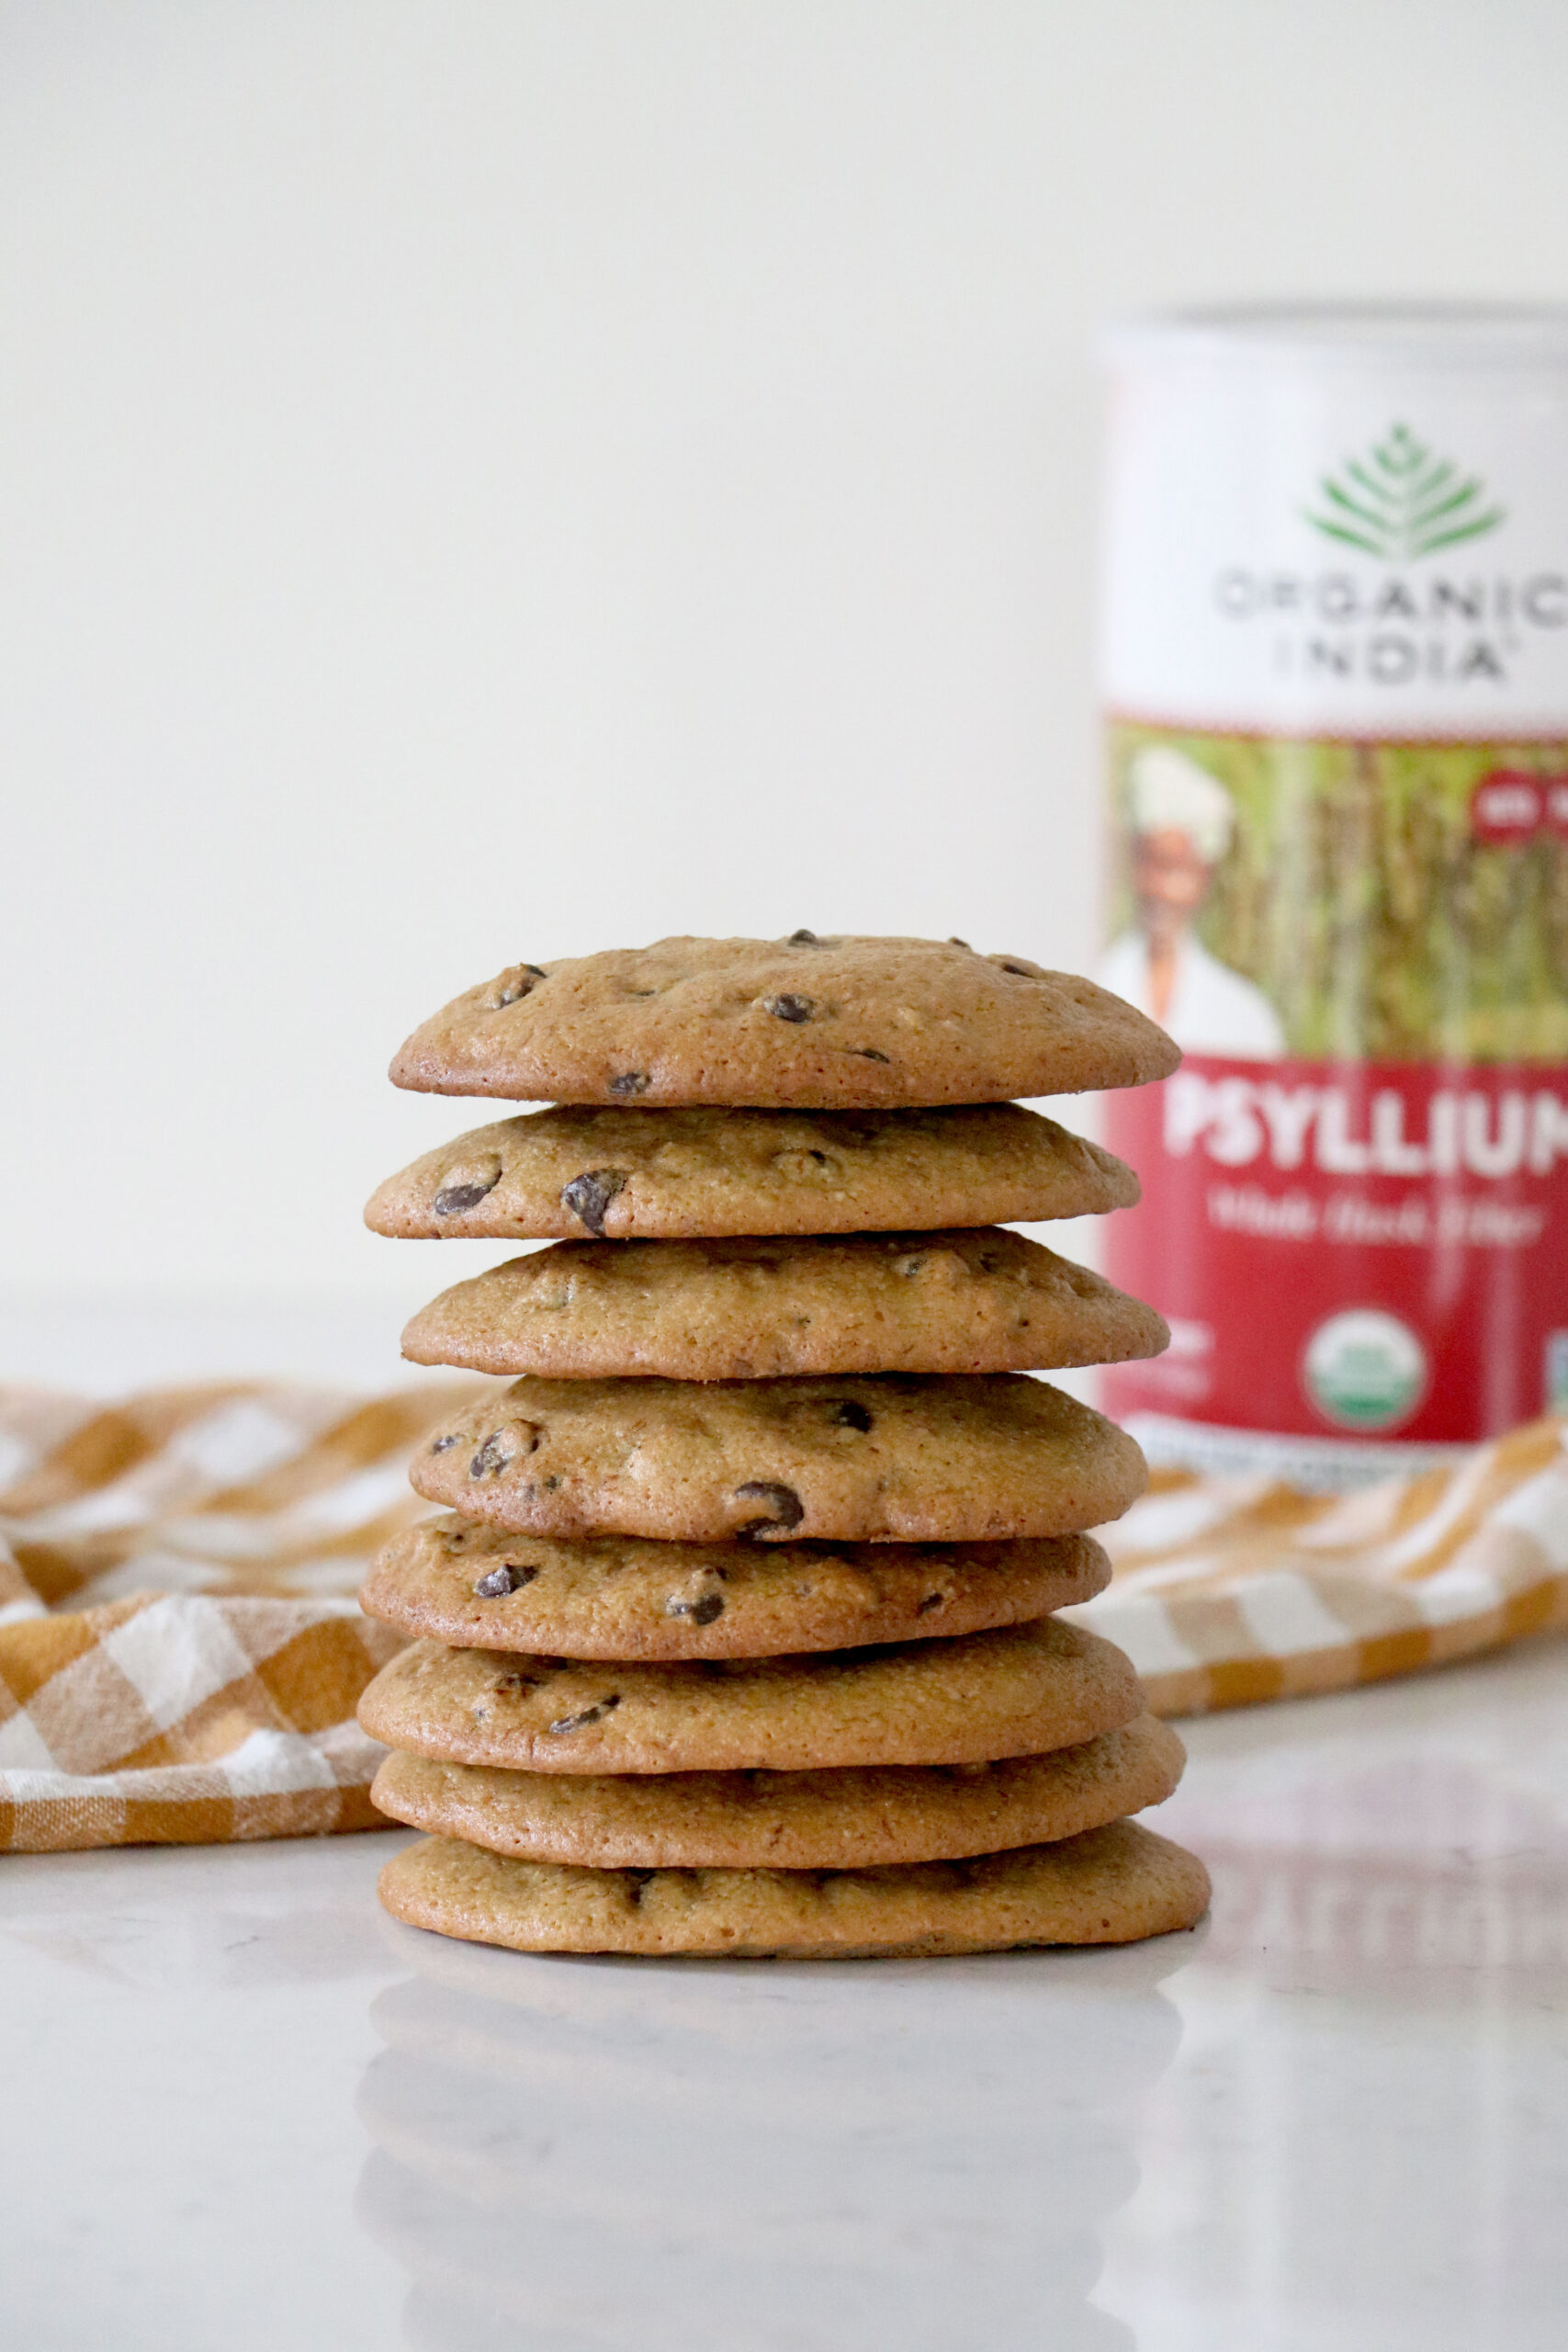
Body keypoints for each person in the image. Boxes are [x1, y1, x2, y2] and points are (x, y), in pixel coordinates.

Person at [1098, 743, 1285, 1057]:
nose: (1158, 887)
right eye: (1148, 861)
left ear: (1204, 877)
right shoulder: (1096, 979)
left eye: (1174, 869)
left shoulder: (1245, 1017)